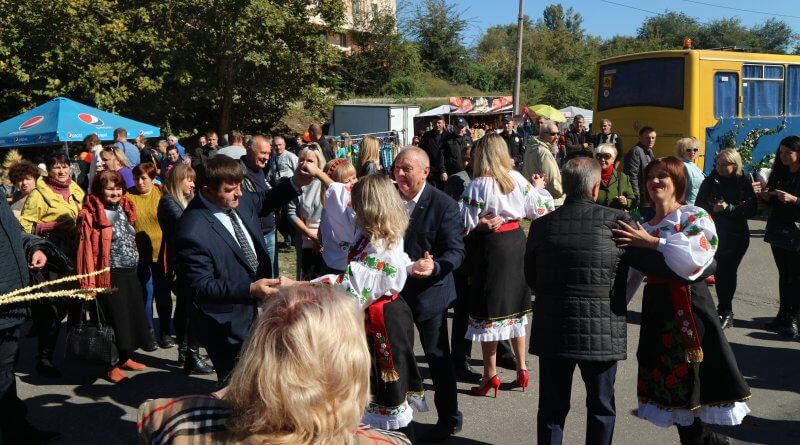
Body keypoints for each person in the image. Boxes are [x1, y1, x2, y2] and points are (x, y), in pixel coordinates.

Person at [138, 286, 412, 445]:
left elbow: (155, 412)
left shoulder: (171, 421)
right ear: (351, 367)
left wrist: (230, 393)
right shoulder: (385, 442)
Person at [612, 156, 750, 445]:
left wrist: (653, 243)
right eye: (650, 177)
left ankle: (707, 441)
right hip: (659, 313)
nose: (654, 181)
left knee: (698, 386)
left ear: (678, 182)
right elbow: (631, 277)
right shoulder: (644, 226)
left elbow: (695, 259)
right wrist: (614, 309)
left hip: (691, 309)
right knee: (675, 392)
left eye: (662, 176)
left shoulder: (693, 216)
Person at [290, 174, 433, 439]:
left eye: (355, 201)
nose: (351, 206)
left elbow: (351, 288)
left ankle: (397, 440)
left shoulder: (379, 243)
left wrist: (300, 286)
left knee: (387, 393)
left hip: (382, 321)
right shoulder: (374, 232)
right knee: (378, 391)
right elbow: (392, 266)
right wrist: (411, 266)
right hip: (379, 314)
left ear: (368, 205)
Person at [174, 155, 313, 385]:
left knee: (262, 376)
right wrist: (250, 289)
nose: (239, 193)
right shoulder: (192, 230)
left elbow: (263, 200)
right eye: (230, 190)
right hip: (226, 324)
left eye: (239, 186)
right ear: (207, 190)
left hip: (256, 310)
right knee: (238, 384)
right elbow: (200, 287)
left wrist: (296, 181)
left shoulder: (235, 197)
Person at [525, 157, 629, 445]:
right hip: (603, 329)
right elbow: (633, 271)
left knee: (552, 407)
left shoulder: (542, 225)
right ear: (595, 188)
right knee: (601, 406)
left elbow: (532, 277)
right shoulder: (618, 222)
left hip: (553, 327)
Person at [459, 134, 554, 398]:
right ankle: (522, 368)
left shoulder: (478, 185)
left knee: (489, 310)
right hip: (516, 243)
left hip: (492, 247)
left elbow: (462, 222)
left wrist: (478, 225)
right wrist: (538, 188)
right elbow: (541, 210)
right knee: (514, 308)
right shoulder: (516, 179)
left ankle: (490, 374)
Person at [393, 147, 465, 442]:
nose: (399, 174)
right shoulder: (389, 198)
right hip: (394, 293)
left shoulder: (443, 204)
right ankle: (396, 419)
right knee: (396, 358)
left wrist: (435, 266)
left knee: (437, 357)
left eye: (406, 169)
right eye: (396, 168)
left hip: (429, 294)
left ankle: (449, 418)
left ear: (425, 172)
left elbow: (456, 252)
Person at [77, 170, 151, 383]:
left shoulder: (123, 206)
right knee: (111, 320)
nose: (115, 192)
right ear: (99, 190)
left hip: (129, 272)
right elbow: (85, 251)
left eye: (118, 188)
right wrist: (88, 283)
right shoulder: (90, 214)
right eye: (110, 189)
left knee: (127, 318)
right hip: (109, 274)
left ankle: (125, 357)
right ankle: (110, 365)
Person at [0, 196, 61, 444]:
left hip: (10, 306)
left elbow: (11, 237)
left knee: (5, 371)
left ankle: (14, 428)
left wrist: (34, 247)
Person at [18, 154, 85, 378]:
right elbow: (24, 228)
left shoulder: (76, 189)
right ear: (48, 170)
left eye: (65, 166)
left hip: (75, 256)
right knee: (51, 309)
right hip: (49, 258)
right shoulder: (38, 194)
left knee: (77, 303)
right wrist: (50, 226)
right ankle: (44, 358)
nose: (62, 171)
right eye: (56, 167)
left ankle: (75, 349)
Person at [157, 164, 213, 375]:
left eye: (193, 180)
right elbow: (186, 225)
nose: (192, 184)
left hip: (188, 259)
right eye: (188, 180)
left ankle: (188, 353)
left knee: (186, 307)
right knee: (189, 308)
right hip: (181, 261)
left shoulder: (186, 199)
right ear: (178, 180)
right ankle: (189, 354)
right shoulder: (168, 201)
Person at [696, 149, 757, 329]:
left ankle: (726, 311)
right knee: (719, 272)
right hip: (714, 233)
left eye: (724, 164)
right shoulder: (711, 180)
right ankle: (723, 309)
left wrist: (728, 208)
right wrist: (712, 208)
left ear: (735, 165)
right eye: (718, 164)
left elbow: (752, 210)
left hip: (736, 235)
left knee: (727, 272)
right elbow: (698, 205)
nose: (720, 168)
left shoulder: (743, 182)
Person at [128, 163, 173, 350]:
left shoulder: (162, 194)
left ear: (153, 179)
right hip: (140, 255)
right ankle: (149, 332)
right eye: (136, 178)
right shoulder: (127, 196)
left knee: (163, 295)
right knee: (146, 294)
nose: (139, 182)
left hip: (162, 254)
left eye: (144, 178)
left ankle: (165, 331)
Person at [759, 136, 800, 338]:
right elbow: (770, 203)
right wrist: (766, 197)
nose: (783, 157)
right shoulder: (779, 172)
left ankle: (794, 319)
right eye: (781, 153)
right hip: (779, 229)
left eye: (788, 153)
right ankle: (783, 315)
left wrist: (794, 200)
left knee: (796, 276)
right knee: (784, 275)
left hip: (796, 230)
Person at [239, 135, 279, 278]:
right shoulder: (239, 173)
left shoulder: (264, 169)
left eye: (268, 153)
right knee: (257, 277)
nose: (266, 157)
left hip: (269, 231)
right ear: (249, 151)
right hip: (254, 235)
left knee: (271, 276)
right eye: (263, 153)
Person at [287, 145, 326, 279]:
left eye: (310, 161)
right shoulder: (294, 183)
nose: (304, 164)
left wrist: (320, 239)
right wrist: (311, 235)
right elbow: (291, 213)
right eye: (302, 160)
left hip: (325, 242)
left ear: (319, 163)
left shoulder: (325, 183)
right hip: (305, 241)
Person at [317, 158, 358, 274]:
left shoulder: (327, 208)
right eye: (347, 181)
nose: (353, 182)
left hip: (333, 262)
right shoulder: (346, 208)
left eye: (354, 177)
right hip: (341, 266)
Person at [524, 120, 565, 206]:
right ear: (543, 134)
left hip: (536, 198)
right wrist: (563, 192)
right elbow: (552, 181)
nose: (557, 137)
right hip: (551, 200)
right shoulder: (544, 152)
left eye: (558, 133)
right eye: (553, 134)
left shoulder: (531, 147)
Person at [624, 126, 656, 219]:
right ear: (640, 138)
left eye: (653, 138)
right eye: (647, 137)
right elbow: (632, 176)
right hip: (642, 199)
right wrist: (636, 197)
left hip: (648, 197)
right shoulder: (636, 151)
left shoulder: (648, 151)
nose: (651, 140)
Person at [594, 143, 636, 211]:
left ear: (613, 160)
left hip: (615, 216)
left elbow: (632, 200)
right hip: (595, 215)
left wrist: (626, 202)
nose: (602, 159)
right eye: (599, 156)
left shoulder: (622, 177)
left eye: (606, 156)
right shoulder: (589, 176)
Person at [440, 117, 473, 185]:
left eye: (462, 127)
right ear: (454, 127)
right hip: (452, 172)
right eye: (458, 127)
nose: (460, 129)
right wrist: (443, 171)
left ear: (465, 128)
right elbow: (441, 156)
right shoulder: (447, 139)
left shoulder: (469, 139)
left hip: (467, 172)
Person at [420, 115, 448, 185]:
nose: (437, 125)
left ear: (443, 123)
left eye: (439, 123)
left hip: (446, 171)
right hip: (431, 171)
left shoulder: (448, 136)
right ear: (432, 124)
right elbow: (421, 152)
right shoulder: (427, 136)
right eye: (435, 123)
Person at [676, 137, 705, 205]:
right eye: (688, 150)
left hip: (695, 204)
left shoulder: (692, 165)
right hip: (687, 205)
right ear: (682, 151)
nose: (692, 152)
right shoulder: (682, 166)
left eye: (695, 150)